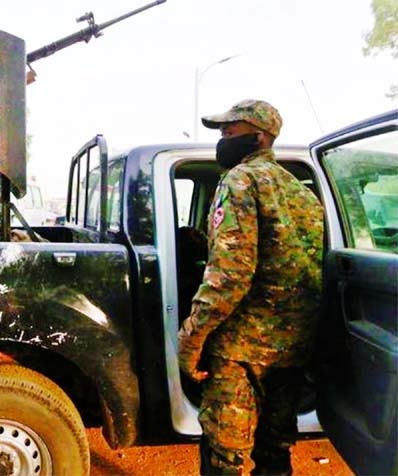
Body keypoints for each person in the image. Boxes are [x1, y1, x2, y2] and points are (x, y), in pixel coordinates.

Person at [177, 99, 324, 475]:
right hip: (290, 350)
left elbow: (230, 276)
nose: (223, 138)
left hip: (241, 351)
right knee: (275, 449)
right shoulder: (302, 192)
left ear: (259, 137)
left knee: (225, 455)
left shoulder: (240, 181)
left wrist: (191, 342)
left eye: (230, 131)